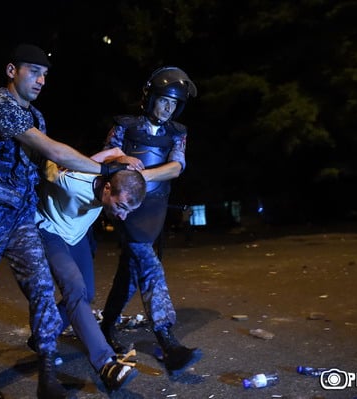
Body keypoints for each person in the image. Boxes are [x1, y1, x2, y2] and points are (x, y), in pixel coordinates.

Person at [0, 43, 126, 399]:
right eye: (34, 71)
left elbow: (49, 168)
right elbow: (53, 151)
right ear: (12, 71)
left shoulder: (38, 117)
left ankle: (48, 375)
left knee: (43, 290)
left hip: (20, 218)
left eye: (45, 75)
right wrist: (108, 169)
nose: (42, 80)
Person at [98, 66, 202, 377]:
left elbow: (176, 167)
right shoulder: (124, 126)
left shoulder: (178, 132)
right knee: (149, 266)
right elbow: (105, 158)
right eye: (164, 101)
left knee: (129, 274)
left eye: (174, 104)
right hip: (129, 208)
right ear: (150, 98)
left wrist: (142, 176)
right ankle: (167, 340)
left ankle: (105, 327)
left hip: (156, 207)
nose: (168, 108)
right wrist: (123, 163)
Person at [34, 148, 146, 392]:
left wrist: (120, 157)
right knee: (75, 288)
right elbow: (52, 159)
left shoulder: (114, 181)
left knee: (88, 293)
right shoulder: (72, 182)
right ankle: (106, 363)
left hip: (76, 235)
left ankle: (43, 335)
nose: (123, 216)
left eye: (129, 210)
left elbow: (116, 151)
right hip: (50, 229)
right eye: (121, 206)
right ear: (107, 189)